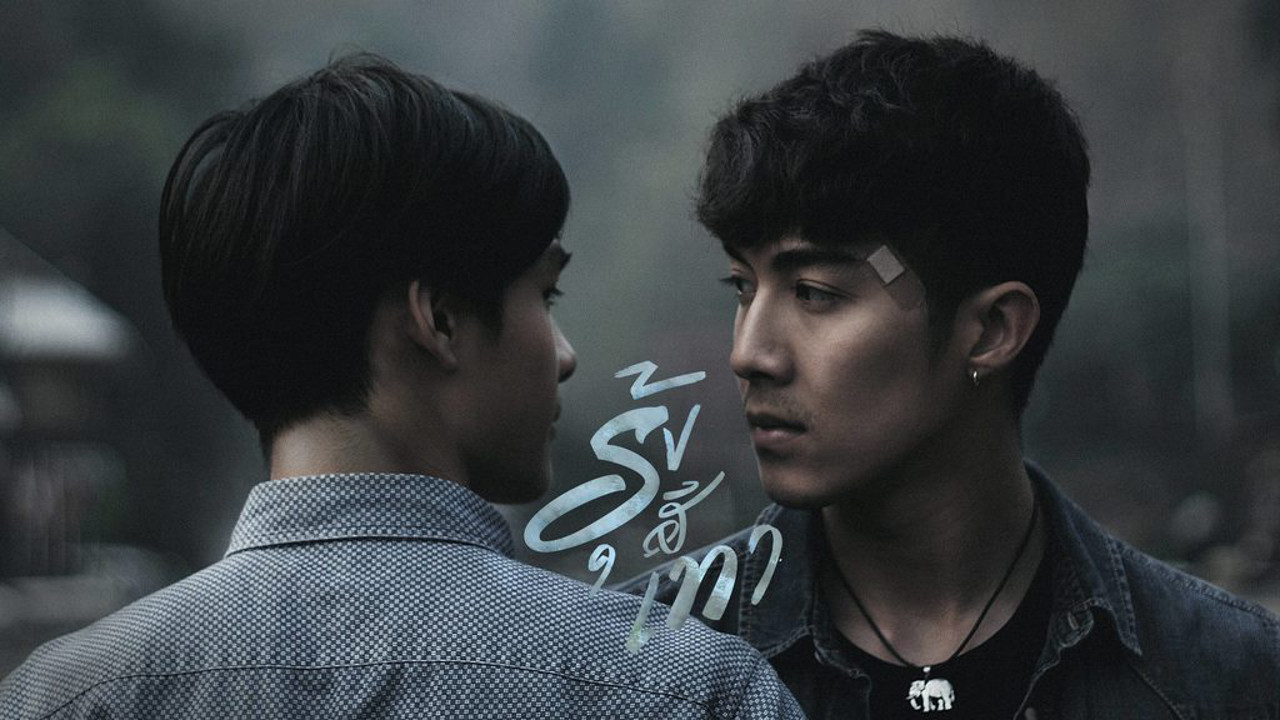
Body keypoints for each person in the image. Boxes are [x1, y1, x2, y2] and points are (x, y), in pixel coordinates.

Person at [0, 55, 803, 719]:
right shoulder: (684, 689)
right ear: (439, 319)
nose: (564, 356)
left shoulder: (62, 697)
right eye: (545, 295)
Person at [622, 30, 1279, 719]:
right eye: (742, 286)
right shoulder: (637, 665)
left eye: (814, 293)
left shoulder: (1226, 678)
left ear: (991, 331)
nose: (749, 353)